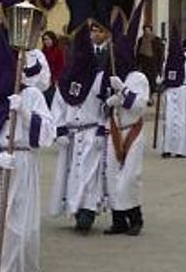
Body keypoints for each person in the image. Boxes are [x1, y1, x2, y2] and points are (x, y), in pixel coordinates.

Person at [0, 3, 55, 271]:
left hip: (24, 166)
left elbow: (48, 135)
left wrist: (26, 113)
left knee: (22, 230)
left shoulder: (32, 96)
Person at [49, 24, 107, 234]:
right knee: (72, 174)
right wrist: (59, 129)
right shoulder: (66, 80)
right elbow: (58, 106)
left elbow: (104, 107)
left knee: (89, 174)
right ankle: (75, 209)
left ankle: (87, 212)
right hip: (72, 135)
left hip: (91, 133)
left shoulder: (99, 78)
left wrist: (102, 128)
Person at [102, 4, 149, 236]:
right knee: (112, 175)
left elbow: (140, 105)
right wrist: (109, 101)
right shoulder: (114, 76)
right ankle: (118, 220)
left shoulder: (138, 78)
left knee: (130, 177)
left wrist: (123, 93)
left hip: (133, 130)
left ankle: (136, 219)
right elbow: (105, 104)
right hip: (115, 130)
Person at [160, 31, 186, 158]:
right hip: (171, 93)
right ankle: (168, 147)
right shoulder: (167, 64)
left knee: (182, 121)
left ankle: (180, 149)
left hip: (183, 92)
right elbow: (164, 78)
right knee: (169, 121)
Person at [136, 25, 164, 101]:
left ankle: (150, 97)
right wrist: (137, 65)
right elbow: (138, 53)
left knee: (152, 82)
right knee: (144, 81)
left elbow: (160, 54)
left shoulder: (156, 40)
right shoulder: (141, 40)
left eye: (148, 30)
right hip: (144, 64)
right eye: (145, 31)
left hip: (153, 64)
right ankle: (146, 97)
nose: (146, 32)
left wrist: (159, 68)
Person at [42, 30, 65, 106]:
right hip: (44, 79)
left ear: (53, 40)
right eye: (45, 39)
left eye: (48, 39)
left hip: (53, 80)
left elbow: (60, 66)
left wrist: (56, 79)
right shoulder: (43, 51)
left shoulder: (58, 51)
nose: (46, 41)